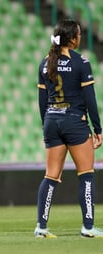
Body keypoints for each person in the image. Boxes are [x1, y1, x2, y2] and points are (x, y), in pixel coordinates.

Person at [35, 19, 103, 238]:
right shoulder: (81, 62)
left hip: (52, 120)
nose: (80, 37)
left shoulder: (45, 63)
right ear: (73, 38)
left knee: (51, 176)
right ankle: (88, 226)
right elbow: (90, 99)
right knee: (86, 175)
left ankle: (41, 227)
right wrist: (97, 128)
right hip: (75, 121)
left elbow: (42, 100)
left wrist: (47, 124)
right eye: (79, 34)